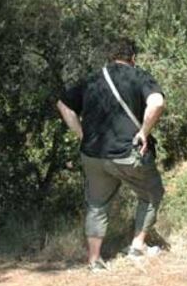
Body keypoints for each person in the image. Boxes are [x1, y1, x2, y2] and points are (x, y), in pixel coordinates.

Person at [57, 38, 165, 271]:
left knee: (97, 205)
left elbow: (63, 105)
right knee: (151, 193)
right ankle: (137, 247)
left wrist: (82, 134)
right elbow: (156, 103)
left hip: (93, 155)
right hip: (128, 154)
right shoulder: (139, 77)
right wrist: (144, 132)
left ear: (109, 57)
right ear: (133, 58)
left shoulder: (92, 79)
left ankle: (94, 261)